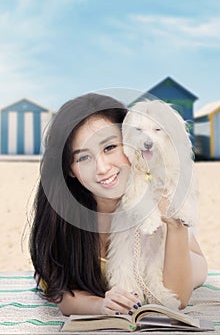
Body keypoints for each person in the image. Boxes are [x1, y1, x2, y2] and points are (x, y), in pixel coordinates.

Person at [29, 92, 208, 316]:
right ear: (69, 169)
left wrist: (174, 219)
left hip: (182, 260)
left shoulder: (156, 201)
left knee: (195, 267)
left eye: (110, 147)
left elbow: (177, 298)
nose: (102, 168)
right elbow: (63, 295)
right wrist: (101, 305)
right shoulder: (64, 218)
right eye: (83, 157)